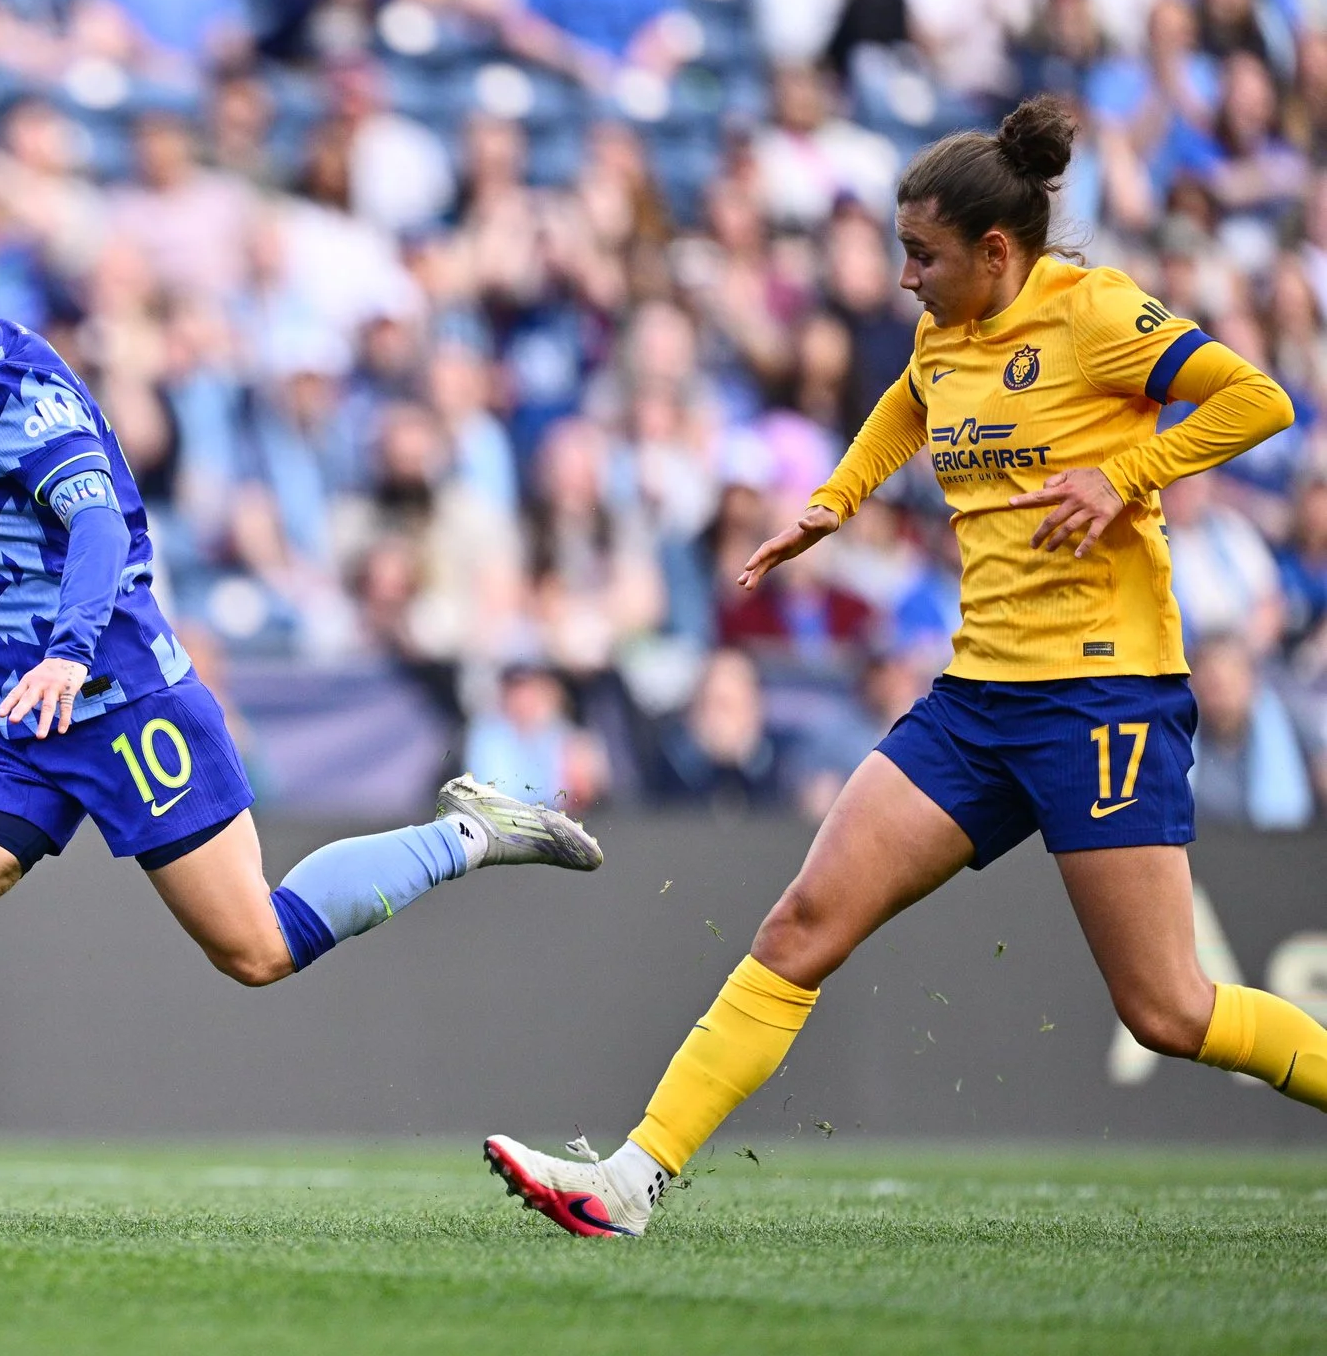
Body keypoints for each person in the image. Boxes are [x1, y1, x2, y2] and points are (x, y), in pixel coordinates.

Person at [484, 98, 1322, 1241]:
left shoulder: (1097, 315)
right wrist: (830, 504)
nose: (902, 279)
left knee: (1167, 1009)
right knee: (801, 923)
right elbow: (905, 407)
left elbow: (1257, 398)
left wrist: (1124, 472)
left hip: (1101, 700)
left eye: (919, 255)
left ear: (993, 251)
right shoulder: (945, 333)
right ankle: (628, 1181)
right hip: (975, 700)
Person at [0, 214, 603, 1226]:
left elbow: (99, 525)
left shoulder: (35, 399)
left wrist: (69, 651)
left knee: (255, 946)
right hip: (3, 716)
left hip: (117, 701)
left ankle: (467, 832)